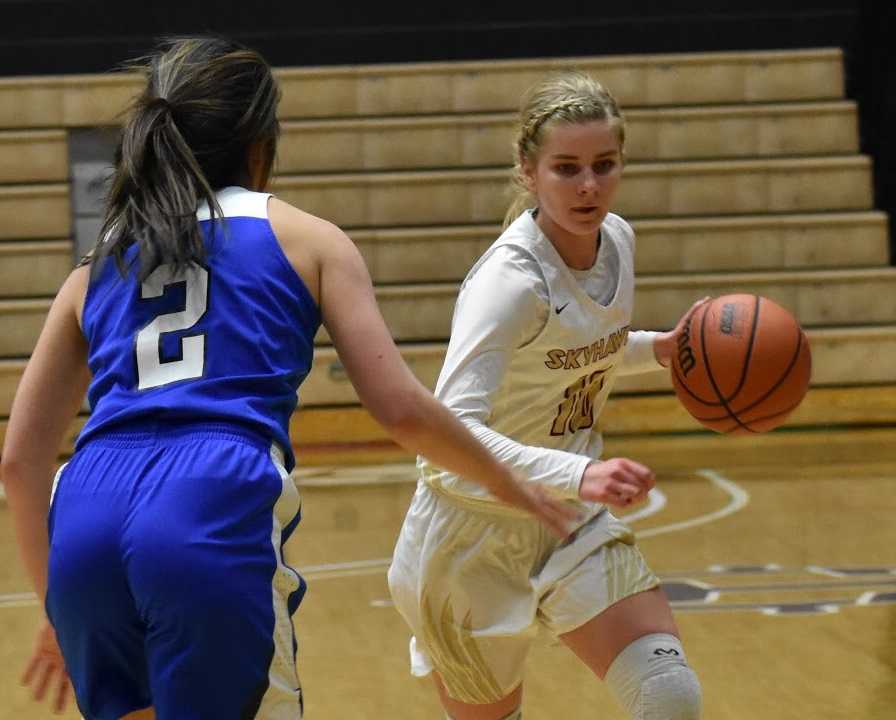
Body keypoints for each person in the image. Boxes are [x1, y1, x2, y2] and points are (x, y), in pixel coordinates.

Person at [0, 37, 577, 720]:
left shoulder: (98, 263)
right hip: (208, 497)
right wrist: (510, 481)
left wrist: (57, 607)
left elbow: (19, 462)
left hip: (87, 509)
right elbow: (401, 411)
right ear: (260, 147)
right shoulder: (309, 240)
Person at [387, 72, 705, 720]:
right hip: (468, 535)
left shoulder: (618, 239)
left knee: (670, 696)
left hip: (568, 520)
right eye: (566, 169)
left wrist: (660, 350)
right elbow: (449, 433)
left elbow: (582, 348)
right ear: (529, 173)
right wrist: (581, 471)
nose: (588, 186)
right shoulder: (508, 283)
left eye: (603, 165)